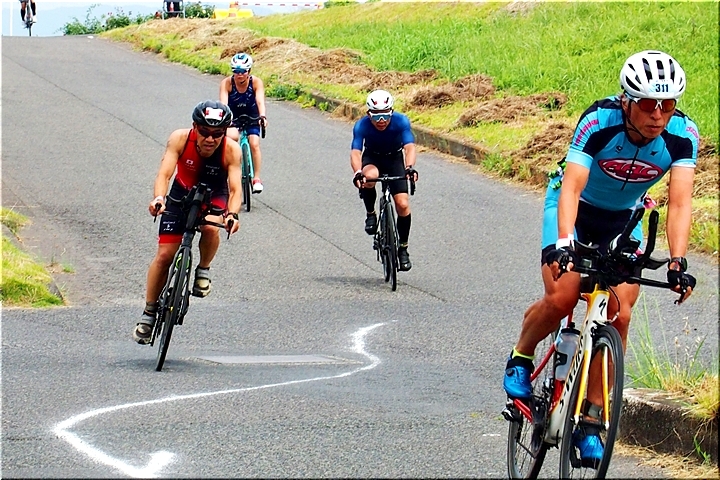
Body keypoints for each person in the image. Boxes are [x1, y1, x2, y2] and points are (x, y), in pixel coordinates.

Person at [502, 50, 699, 467]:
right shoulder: (598, 121)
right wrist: (563, 243)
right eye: (648, 104)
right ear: (627, 101)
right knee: (563, 296)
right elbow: (572, 187)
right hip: (574, 210)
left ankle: (592, 419)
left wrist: (677, 262)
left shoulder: (683, 135)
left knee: (620, 313)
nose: (658, 115)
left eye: (668, 104)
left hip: (625, 219)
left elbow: (680, 203)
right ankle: (521, 356)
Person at [133, 100, 242, 345]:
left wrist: (232, 214)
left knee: (210, 227)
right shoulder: (180, 139)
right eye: (204, 131)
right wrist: (159, 198)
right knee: (164, 256)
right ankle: (149, 313)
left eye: (217, 133)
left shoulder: (232, 150)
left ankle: (203, 269)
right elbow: (164, 174)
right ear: (195, 127)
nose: (210, 139)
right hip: (181, 192)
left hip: (215, 194)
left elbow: (236, 189)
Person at [351, 89, 419, 271]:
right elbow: (356, 152)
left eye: (385, 115)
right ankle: (370, 214)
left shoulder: (401, 121)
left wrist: (409, 167)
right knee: (370, 177)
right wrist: (358, 172)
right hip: (373, 157)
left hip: (394, 159)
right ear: (368, 114)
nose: (381, 121)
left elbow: (409, 147)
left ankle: (403, 248)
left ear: (392, 112)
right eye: (376, 116)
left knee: (402, 204)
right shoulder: (361, 125)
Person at [219, 52, 268, 193]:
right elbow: (224, 104)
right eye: (236, 71)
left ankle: (256, 178)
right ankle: (232, 167)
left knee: (254, 144)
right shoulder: (227, 83)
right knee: (232, 137)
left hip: (252, 114)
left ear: (249, 71)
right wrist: (225, 120)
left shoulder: (256, 82)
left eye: (243, 71)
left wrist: (263, 116)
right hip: (233, 116)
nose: (239, 74)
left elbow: (260, 101)